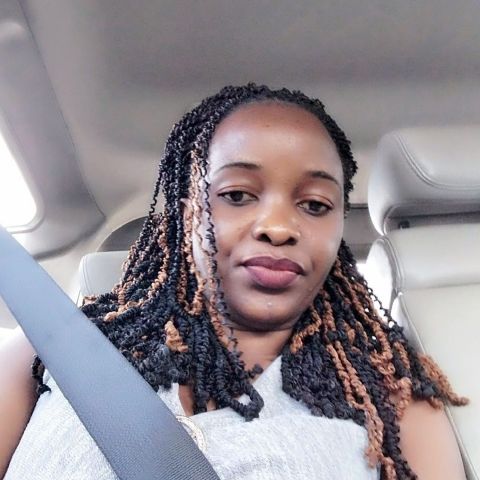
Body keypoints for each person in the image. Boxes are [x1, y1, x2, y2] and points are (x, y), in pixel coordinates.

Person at [0, 84, 469, 479]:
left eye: (315, 205)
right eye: (238, 195)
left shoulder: (394, 400)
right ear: (187, 214)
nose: (279, 227)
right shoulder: (47, 350)